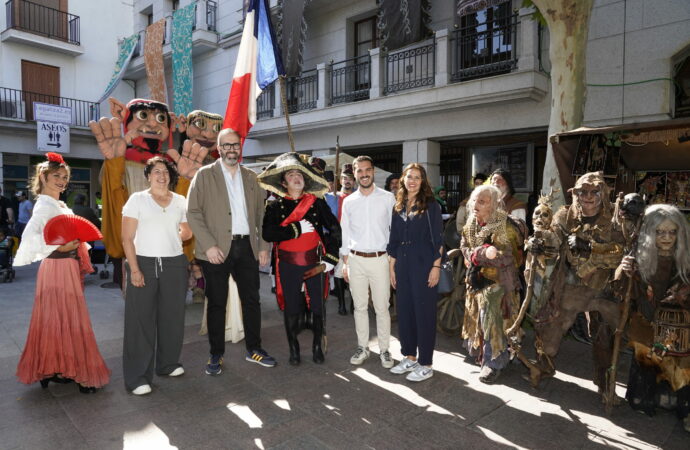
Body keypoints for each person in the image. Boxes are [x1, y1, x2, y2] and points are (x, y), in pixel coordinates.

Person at [14, 152, 110, 393]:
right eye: (57, 176)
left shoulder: (59, 204)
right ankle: (74, 371)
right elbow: (29, 239)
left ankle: (57, 367)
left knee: (60, 319)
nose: (62, 181)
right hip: (56, 266)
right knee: (65, 319)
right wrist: (59, 246)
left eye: (65, 177)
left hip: (65, 266)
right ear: (43, 177)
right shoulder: (44, 205)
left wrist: (72, 246)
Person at [528, 172, 624, 400]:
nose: (588, 197)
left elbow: (621, 253)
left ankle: (605, 384)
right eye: (582, 192)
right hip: (569, 289)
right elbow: (553, 240)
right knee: (550, 332)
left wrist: (591, 247)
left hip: (601, 290)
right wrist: (539, 242)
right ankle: (544, 365)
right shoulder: (564, 215)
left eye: (594, 192)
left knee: (603, 339)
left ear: (604, 194)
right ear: (575, 194)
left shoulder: (614, 220)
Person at [187, 128, 275, 374]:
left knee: (252, 300)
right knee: (217, 302)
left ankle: (254, 349)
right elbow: (193, 212)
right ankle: (216, 354)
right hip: (216, 249)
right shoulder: (204, 175)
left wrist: (263, 246)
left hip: (246, 247)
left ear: (240, 147)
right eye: (226, 145)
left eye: (235, 145)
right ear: (219, 147)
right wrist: (209, 245)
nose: (231, 149)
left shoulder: (252, 177)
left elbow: (262, 215)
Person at [260, 152, 341, 365]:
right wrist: (294, 229)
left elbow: (334, 228)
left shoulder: (316, 203)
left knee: (317, 307)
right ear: (284, 182)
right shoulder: (275, 207)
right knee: (292, 308)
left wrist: (331, 257)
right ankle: (293, 348)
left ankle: (316, 346)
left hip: (314, 263)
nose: (297, 178)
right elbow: (268, 233)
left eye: (300, 174)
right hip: (288, 265)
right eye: (291, 175)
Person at [121, 157, 192, 395]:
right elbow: (126, 238)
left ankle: (168, 364)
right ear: (149, 175)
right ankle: (138, 377)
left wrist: (180, 232)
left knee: (173, 317)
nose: (162, 176)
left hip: (175, 263)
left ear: (171, 177)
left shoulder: (180, 201)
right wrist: (135, 269)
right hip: (144, 262)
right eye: (157, 171)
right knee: (140, 322)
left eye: (166, 172)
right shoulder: (137, 200)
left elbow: (186, 232)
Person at [618, 205, 690, 432]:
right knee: (646, 363)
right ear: (650, 233)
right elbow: (620, 289)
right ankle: (644, 400)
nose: (666, 237)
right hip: (646, 323)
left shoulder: (686, 261)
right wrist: (623, 269)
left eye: (672, 232)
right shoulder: (639, 257)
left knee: (678, 365)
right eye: (660, 232)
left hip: (675, 326)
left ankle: (679, 406)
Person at [460, 184, 524, 383]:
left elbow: (510, 258)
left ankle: (494, 362)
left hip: (499, 281)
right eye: (474, 200)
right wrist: (473, 254)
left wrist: (479, 255)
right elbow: (464, 243)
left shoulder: (504, 226)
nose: (475, 204)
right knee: (475, 312)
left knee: (491, 314)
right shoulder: (471, 222)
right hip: (476, 278)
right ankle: (480, 351)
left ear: (494, 205)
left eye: (482, 201)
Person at [387, 163, 443, 382]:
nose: (412, 181)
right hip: (402, 262)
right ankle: (409, 356)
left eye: (417, 177)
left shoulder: (431, 205)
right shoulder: (398, 205)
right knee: (405, 312)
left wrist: (436, 267)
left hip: (424, 263)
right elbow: (393, 240)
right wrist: (392, 268)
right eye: (409, 177)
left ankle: (426, 363)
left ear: (423, 181)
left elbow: (438, 239)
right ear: (403, 179)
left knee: (424, 314)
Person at [340, 156, 396, 368]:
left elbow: (394, 232)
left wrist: (392, 262)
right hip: (355, 260)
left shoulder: (387, 198)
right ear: (354, 174)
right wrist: (345, 263)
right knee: (360, 307)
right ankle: (362, 347)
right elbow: (345, 233)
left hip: (380, 259)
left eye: (367, 170)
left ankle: (384, 350)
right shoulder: (349, 202)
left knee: (382, 307)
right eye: (359, 171)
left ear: (373, 172)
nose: (364, 174)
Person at [326, 163, 355, 315]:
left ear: (354, 181)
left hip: (356, 240)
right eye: (344, 178)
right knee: (339, 271)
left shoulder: (359, 196)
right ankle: (341, 303)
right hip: (338, 239)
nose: (347, 181)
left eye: (350, 178)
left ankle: (353, 303)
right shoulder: (331, 197)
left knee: (355, 273)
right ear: (340, 180)